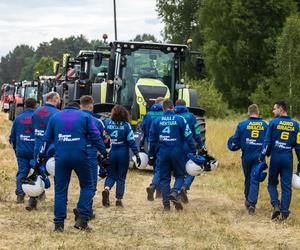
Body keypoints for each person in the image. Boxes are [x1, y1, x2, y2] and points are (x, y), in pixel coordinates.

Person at [37, 101, 107, 232]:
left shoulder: (55, 117)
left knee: (60, 190)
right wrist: (104, 153)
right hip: (80, 155)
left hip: (61, 157)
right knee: (88, 186)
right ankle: (82, 217)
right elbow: (96, 136)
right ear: (78, 107)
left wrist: (40, 156)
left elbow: (46, 139)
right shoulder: (84, 117)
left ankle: (58, 224)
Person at [148, 99, 196, 211]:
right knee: (180, 175)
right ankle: (174, 192)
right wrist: (193, 151)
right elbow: (189, 137)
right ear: (172, 108)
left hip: (163, 153)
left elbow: (152, 140)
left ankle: (166, 206)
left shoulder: (156, 121)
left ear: (163, 108)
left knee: (164, 179)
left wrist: (151, 155)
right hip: (177, 152)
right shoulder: (180, 119)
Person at [260, 101, 300, 220]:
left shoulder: (273, 123)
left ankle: (276, 204)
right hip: (288, 158)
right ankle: (284, 212)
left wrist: (263, 155)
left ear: (281, 109)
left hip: (276, 157)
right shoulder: (296, 125)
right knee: (286, 186)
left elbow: (267, 142)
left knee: (272, 183)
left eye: (275, 109)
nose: (273, 111)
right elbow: (298, 145)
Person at [228, 104, 268, 214]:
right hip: (259, 157)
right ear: (258, 112)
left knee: (248, 178)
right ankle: (252, 203)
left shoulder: (242, 125)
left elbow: (235, 141)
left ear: (248, 112)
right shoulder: (265, 125)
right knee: (255, 179)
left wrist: (238, 145)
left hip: (246, 156)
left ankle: (247, 199)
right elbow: (268, 142)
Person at [102, 105, 141, 208]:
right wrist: (136, 154)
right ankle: (118, 200)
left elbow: (104, 139)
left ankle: (106, 189)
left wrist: (103, 153)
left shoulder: (107, 124)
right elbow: (131, 141)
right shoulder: (126, 125)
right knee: (121, 177)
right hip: (123, 152)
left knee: (110, 175)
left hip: (112, 151)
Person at [29, 92, 60, 210]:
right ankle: (60, 201)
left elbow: (32, 128)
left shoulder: (36, 112)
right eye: (58, 100)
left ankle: (32, 200)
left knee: (37, 173)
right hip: (52, 148)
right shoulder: (57, 113)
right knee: (58, 175)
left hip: (38, 147)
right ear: (55, 99)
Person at [79, 95, 107, 219]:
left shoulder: (76, 119)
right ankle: (85, 210)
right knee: (91, 185)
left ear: (80, 106)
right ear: (91, 106)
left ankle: (86, 210)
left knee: (83, 185)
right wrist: (105, 154)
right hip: (91, 156)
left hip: (77, 153)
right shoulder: (97, 122)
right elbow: (104, 140)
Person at [174, 99, 207, 204]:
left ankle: (177, 192)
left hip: (175, 147)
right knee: (192, 168)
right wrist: (201, 146)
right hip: (188, 146)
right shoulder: (191, 116)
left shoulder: (172, 116)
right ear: (185, 106)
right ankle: (185, 186)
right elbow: (197, 133)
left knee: (179, 172)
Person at [9, 98, 37, 204]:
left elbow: (12, 137)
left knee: (22, 173)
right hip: (35, 151)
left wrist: (16, 149)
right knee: (36, 173)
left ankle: (20, 195)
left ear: (25, 106)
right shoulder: (38, 118)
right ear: (35, 106)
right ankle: (34, 196)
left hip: (21, 151)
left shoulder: (18, 119)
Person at [140, 97, 164, 201]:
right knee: (161, 168)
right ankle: (155, 188)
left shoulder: (148, 115)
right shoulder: (164, 115)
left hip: (151, 143)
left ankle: (158, 191)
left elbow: (143, 129)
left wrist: (142, 144)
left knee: (156, 167)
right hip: (164, 144)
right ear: (161, 104)